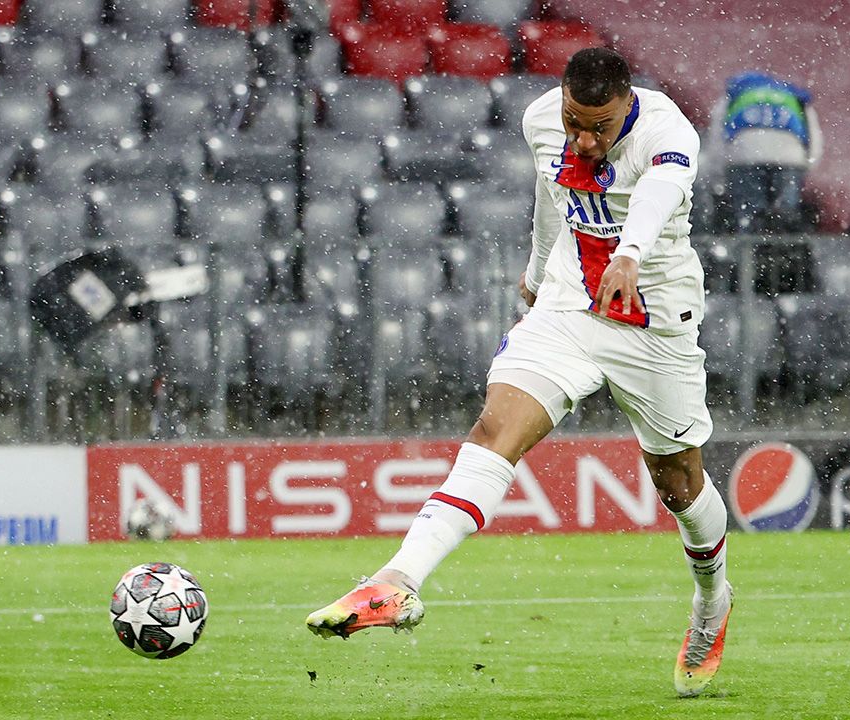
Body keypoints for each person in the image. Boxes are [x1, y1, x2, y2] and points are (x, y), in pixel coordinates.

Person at [306, 48, 733, 699]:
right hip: (568, 305)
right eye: (574, 122)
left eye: (600, 126)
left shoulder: (669, 129)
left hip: (653, 319)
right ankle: (398, 579)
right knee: (494, 430)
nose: (584, 139)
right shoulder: (542, 121)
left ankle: (712, 602)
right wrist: (537, 275)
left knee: (678, 484)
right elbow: (551, 198)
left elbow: (659, 193)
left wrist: (630, 254)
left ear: (626, 105)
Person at [708, 70, 822, 233]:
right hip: (789, 157)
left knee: (748, 212)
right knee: (786, 213)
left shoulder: (735, 94)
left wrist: (719, 173)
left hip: (745, 156)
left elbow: (717, 134)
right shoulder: (793, 95)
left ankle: (748, 246)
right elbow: (813, 135)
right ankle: (783, 248)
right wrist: (807, 165)